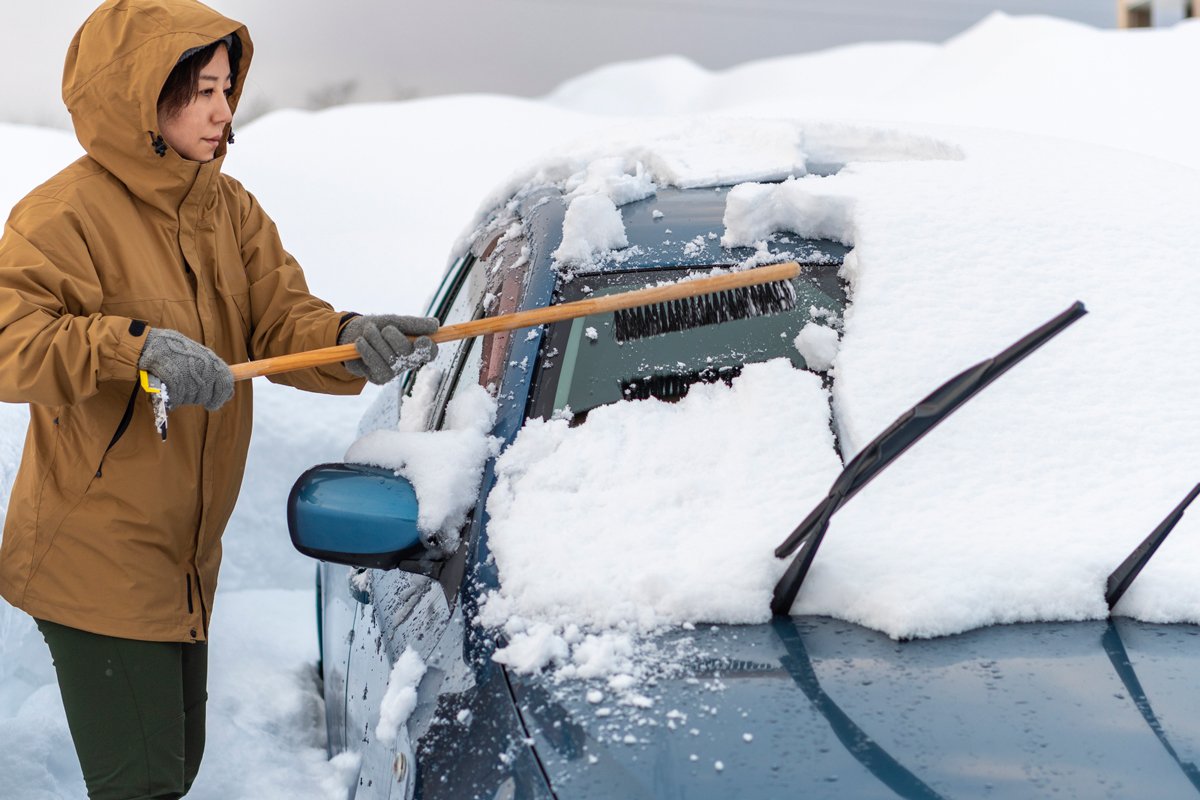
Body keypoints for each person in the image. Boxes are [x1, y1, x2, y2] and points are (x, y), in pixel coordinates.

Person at [0, 1, 436, 796]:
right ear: (139, 97)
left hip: (185, 561)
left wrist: (351, 338)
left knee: (172, 771)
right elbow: (10, 342)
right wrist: (134, 347)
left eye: (226, 88)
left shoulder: (227, 210)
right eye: (200, 90)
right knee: (144, 784)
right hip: (94, 558)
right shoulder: (63, 216)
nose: (223, 110)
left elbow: (280, 322)